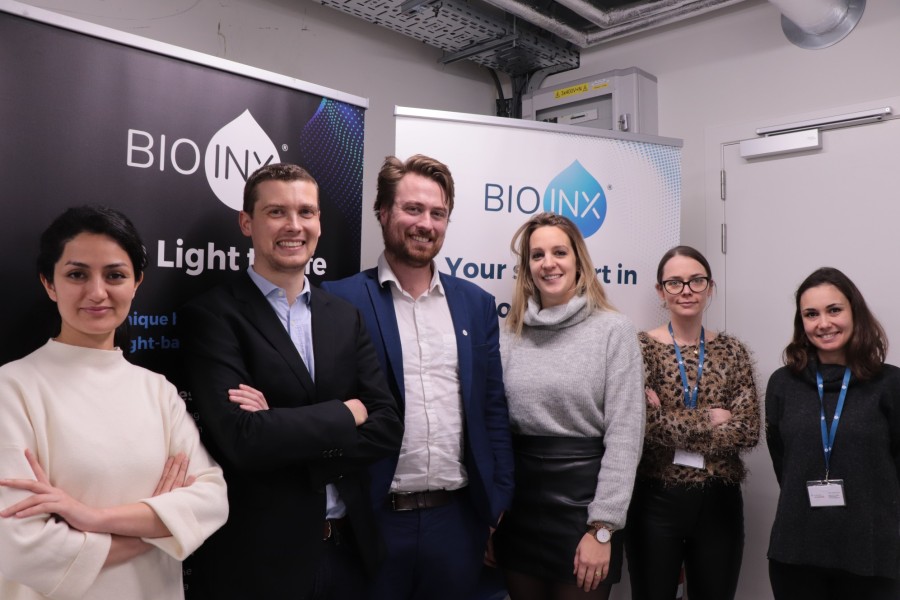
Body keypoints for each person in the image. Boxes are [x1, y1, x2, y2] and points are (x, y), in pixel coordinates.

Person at [178, 163, 404, 599]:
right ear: (247, 222)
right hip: (260, 563)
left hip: (347, 553)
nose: (294, 226)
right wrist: (346, 412)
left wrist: (282, 427)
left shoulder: (343, 315)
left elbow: (388, 424)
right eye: (277, 212)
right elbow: (243, 439)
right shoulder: (213, 316)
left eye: (306, 212)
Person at [0, 205, 228, 600]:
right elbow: (17, 543)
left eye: (115, 275)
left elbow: (211, 499)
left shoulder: (158, 391)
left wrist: (91, 518)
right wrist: (158, 526)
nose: (97, 292)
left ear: (137, 283)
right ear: (49, 284)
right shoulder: (12, 388)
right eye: (76, 274)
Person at [322, 154, 514, 600]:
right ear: (384, 212)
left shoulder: (476, 304)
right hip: (372, 521)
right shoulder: (339, 299)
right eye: (412, 209)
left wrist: (497, 499)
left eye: (437, 213)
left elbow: (491, 407)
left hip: (458, 521)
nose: (425, 223)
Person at [491, 211, 644, 600]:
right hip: (517, 511)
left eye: (559, 251)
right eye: (537, 255)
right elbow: (494, 428)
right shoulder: (510, 332)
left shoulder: (614, 330)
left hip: (584, 511)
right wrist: (491, 517)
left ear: (579, 260)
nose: (548, 263)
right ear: (527, 267)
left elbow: (625, 435)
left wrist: (603, 528)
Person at [624, 245, 759, 600]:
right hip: (656, 499)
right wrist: (711, 418)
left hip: (719, 502)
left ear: (709, 287)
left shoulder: (732, 351)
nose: (686, 290)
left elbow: (747, 429)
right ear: (660, 290)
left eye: (696, 281)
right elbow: (645, 424)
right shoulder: (639, 348)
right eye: (675, 282)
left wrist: (671, 418)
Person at [766, 267, 900, 599]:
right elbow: (783, 460)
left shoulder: (890, 384)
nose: (823, 323)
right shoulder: (782, 384)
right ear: (802, 323)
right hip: (796, 552)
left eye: (834, 310)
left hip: (871, 553)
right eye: (811, 314)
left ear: (855, 312)